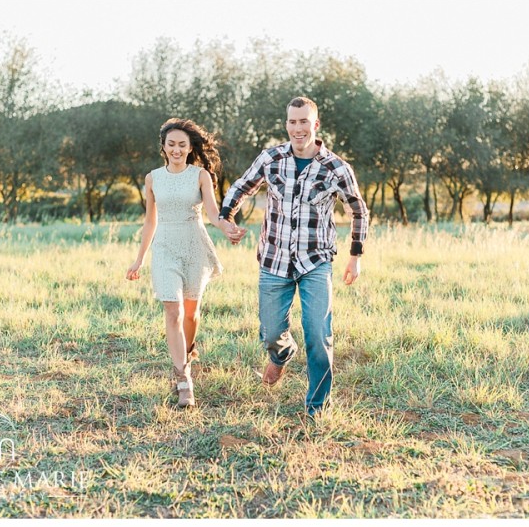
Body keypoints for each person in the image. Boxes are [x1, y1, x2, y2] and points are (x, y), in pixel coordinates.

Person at [219, 96, 369, 417]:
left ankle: (316, 408)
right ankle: (281, 354)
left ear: (315, 125)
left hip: (316, 260)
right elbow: (243, 186)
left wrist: (355, 255)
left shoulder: (336, 168)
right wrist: (225, 216)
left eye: (304, 122)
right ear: (286, 124)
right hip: (274, 259)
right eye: (292, 122)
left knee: (318, 332)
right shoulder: (271, 158)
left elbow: (358, 210)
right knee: (271, 331)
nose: (297, 128)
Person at [127, 118, 245, 408]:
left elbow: (214, 213)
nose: (176, 149)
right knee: (173, 310)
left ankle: (187, 352)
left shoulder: (201, 175)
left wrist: (228, 228)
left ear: (190, 147)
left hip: (195, 246)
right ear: (164, 147)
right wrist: (139, 258)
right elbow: (150, 219)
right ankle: (183, 378)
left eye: (182, 144)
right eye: (171, 145)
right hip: (165, 247)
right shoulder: (152, 178)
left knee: (191, 315)